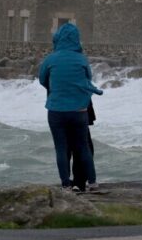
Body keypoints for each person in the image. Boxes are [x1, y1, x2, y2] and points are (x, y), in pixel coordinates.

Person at [38, 23, 102, 191]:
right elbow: (88, 79)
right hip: (80, 109)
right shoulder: (81, 59)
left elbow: (42, 80)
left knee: (61, 148)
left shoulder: (51, 59)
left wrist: (57, 88)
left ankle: (66, 184)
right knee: (84, 147)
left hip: (57, 109)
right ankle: (90, 183)